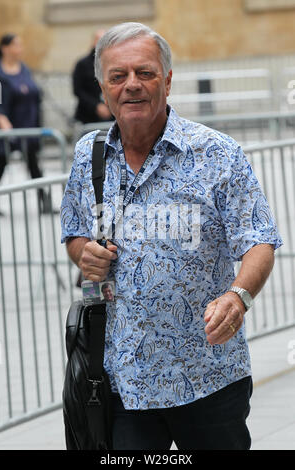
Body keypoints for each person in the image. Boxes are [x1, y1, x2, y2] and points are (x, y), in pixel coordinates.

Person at [61, 22, 282, 450]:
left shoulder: (217, 153)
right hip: (123, 380)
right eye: (118, 76)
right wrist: (82, 255)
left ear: (167, 80)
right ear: (102, 88)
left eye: (144, 73)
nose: (132, 86)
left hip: (209, 376)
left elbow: (258, 239)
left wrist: (239, 297)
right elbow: (74, 233)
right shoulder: (88, 154)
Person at [0, 33, 52, 213]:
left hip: (28, 124)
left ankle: (44, 202)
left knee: (34, 166)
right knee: (0, 164)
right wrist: (1, 118)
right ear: (5, 48)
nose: (20, 49)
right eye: (16, 45)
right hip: (8, 129)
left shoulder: (25, 70)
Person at [72, 30, 113, 124]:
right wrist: (96, 106)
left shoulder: (112, 62)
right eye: (99, 40)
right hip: (88, 116)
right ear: (94, 41)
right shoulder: (82, 64)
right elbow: (78, 90)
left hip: (111, 115)